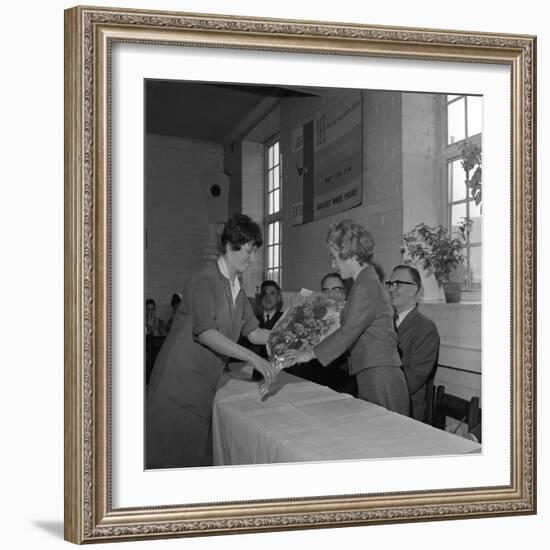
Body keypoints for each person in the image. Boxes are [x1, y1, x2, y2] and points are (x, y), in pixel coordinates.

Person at [146, 215, 278, 469]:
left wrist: (288, 335)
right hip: (177, 385)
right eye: (249, 251)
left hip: (203, 385)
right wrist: (254, 358)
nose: (252, 258)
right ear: (230, 246)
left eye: (254, 251)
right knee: (170, 462)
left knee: (194, 458)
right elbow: (205, 332)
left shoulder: (237, 289)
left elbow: (253, 332)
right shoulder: (204, 279)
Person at [284, 219, 409, 415]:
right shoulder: (365, 282)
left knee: (387, 437)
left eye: (335, 257)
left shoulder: (365, 287)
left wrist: (307, 354)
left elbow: (347, 332)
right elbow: (342, 324)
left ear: (351, 256)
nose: (333, 264)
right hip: (372, 370)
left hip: (380, 374)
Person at [286, 273, 357, 396]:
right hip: (312, 378)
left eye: (336, 289)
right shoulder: (312, 315)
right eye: (326, 290)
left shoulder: (353, 316)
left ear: (346, 291)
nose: (330, 294)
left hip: (341, 379)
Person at [386, 265, 440, 422]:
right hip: (378, 401)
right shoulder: (383, 323)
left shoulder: (425, 329)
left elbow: (412, 380)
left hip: (405, 411)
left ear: (415, 289)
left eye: (398, 283)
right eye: (390, 284)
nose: (391, 289)